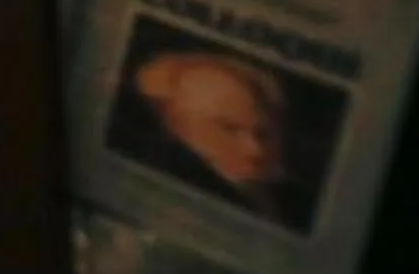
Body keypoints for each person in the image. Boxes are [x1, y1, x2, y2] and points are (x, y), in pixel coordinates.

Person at [114, 46, 302, 228]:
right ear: (175, 125)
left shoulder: (287, 200)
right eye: (229, 129)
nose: (254, 149)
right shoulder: (168, 194)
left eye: (262, 133)